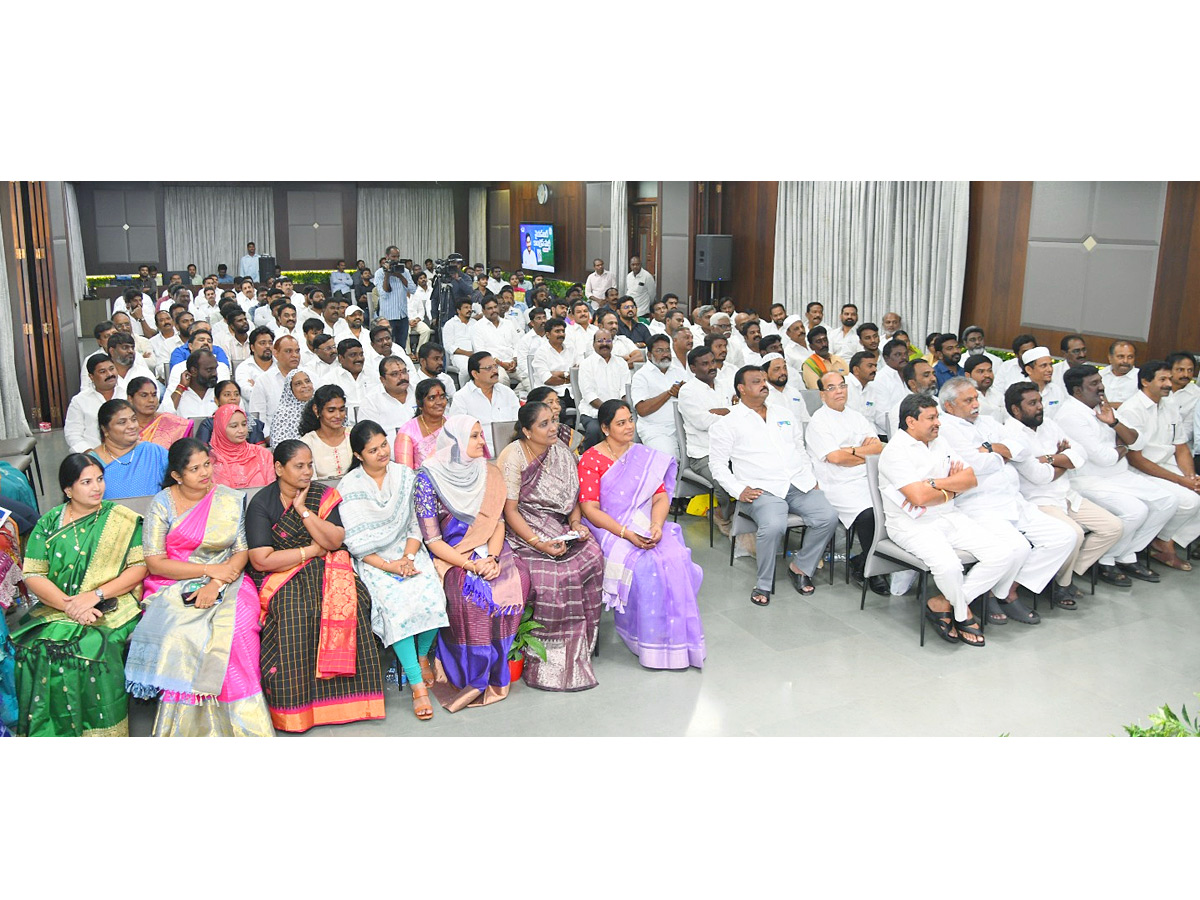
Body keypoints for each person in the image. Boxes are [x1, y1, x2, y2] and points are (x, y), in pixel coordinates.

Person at [122, 440, 274, 736]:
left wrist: (216, 582)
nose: (205, 473)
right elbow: (155, 562)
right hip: (173, 582)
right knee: (182, 633)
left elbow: (241, 551)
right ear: (177, 475)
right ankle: (189, 729)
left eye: (207, 464)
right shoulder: (162, 503)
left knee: (238, 628)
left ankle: (242, 725)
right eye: (195, 469)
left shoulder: (228, 499)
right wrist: (206, 571)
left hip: (229, 579)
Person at [245, 440, 385, 731]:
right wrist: (309, 551)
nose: (308, 472)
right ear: (279, 468)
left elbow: (334, 541)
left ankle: (351, 700)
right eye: (299, 466)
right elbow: (261, 560)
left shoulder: (323, 495)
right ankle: (296, 707)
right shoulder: (262, 503)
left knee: (352, 601)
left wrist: (303, 511)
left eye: (310, 465)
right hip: (280, 576)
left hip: (327, 567)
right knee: (294, 610)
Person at [12, 454, 148, 735]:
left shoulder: (121, 519)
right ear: (68, 490)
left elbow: (139, 568)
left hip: (112, 600)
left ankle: (103, 732)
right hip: (58, 603)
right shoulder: (49, 523)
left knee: (91, 645)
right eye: (86, 482)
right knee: (36, 647)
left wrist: (95, 595)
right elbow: (34, 574)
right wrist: (70, 605)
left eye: (99, 479)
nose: (96, 487)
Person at [877, 394, 1025, 647]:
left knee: (1004, 554)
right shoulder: (895, 452)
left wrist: (936, 484)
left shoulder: (939, 442)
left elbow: (970, 479)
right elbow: (918, 497)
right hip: (911, 525)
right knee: (949, 567)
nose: (938, 423)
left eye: (937, 417)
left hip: (949, 515)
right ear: (911, 421)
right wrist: (952, 488)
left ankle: (943, 603)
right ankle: (963, 613)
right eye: (931, 418)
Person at [412, 416, 530, 710]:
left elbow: (498, 521)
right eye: (474, 436)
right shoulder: (428, 478)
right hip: (452, 555)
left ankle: (498, 669)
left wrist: (491, 557)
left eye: (481, 435)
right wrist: (473, 565)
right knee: (470, 594)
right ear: (454, 443)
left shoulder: (489, 473)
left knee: (518, 577)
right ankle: (470, 675)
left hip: (489, 548)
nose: (482, 441)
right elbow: (433, 541)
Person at [577, 400, 704, 667]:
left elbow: (659, 497)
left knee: (675, 557)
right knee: (645, 566)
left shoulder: (644, 455)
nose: (628, 427)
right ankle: (645, 638)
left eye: (630, 420)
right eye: (620, 423)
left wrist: (656, 525)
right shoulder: (591, 459)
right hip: (607, 527)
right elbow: (590, 509)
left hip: (645, 522)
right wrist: (625, 533)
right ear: (605, 428)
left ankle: (678, 640)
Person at [937, 377, 1076, 618]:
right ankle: (983, 597)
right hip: (980, 504)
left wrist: (989, 448)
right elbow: (975, 464)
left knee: (1065, 536)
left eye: (976, 398)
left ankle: (1008, 589)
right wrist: (1000, 450)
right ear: (949, 406)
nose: (975, 404)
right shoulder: (947, 428)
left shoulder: (988, 421)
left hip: (1014, 500)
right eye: (967, 400)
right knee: (1018, 548)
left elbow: (1021, 449)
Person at [340, 421, 449, 721]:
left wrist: (409, 557)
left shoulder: (404, 475)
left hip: (408, 550)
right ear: (359, 455)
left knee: (432, 595)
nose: (382, 453)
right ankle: (418, 687)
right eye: (372, 450)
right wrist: (391, 566)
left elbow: (417, 524)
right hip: (374, 560)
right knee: (397, 608)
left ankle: (423, 655)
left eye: (384, 445)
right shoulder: (350, 486)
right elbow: (356, 541)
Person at [497, 402, 605, 690]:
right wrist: (539, 544)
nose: (553, 428)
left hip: (558, 526)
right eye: (544, 424)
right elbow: (510, 511)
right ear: (526, 431)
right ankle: (549, 658)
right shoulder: (513, 456)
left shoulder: (560, 451)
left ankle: (583, 643)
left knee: (592, 554)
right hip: (523, 532)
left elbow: (573, 500)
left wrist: (576, 524)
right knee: (554, 576)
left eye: (553, 421)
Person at [709, 367, 838, 606]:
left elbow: (799, 448)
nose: (763, 384)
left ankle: (800, 567)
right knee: (774, 525)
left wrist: (810, 477)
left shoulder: (783, 413)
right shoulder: (727, 423)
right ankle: (764, 583)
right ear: (741, 388)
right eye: (756, 381)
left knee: (828, 516)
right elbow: (716, 466)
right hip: (761, 489)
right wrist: (738, 490)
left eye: (764, 380)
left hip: (797, 483)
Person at [1003, 382, 1123, 607]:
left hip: (1066, 494)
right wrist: (1065, 459)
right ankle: (1062, 584)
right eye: (1032, 403)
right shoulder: (1011, 434)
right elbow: (1039, 476)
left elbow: (1080, 453)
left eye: (1039, 401)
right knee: (1074, 533)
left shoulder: (1048, 424)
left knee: (1113, 527)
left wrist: (1049, 458)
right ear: (1016, 410)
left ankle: (1060, 574)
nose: (1040, 407)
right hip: (1037, 501)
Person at [1056, 364, 1177, 586]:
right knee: (1136, 510)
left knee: (1168, 501)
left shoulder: (1103, 407)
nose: (1101, 387)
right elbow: (1104, 458)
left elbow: (1138, 440)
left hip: (1119, 476)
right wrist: (1123, 446)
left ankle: (1125, 555)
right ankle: (1106, 560)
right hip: (1089, 480)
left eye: (1100, 381)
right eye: (1094, 384)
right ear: (1077, 391)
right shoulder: (1070, 415)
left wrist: (1114, 423)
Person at [803, 371, 889, 594]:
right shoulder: (818, 422)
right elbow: (835, 459)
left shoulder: (856, 416)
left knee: (891, 507)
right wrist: (862, 452)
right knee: (869, 514)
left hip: (864, 477)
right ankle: (873, 571)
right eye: (831, 388)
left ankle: (862, 560)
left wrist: (850, 450)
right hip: (836, 484)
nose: (839, 391)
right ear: (822, 395)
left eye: (842, 386)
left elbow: (877, 447)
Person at [1116, 360, 1200, 570]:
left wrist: (1190, 477)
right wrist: (1181, 481)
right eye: (1162, 379)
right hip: (1141, 470)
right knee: (1189, 501)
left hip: (1168, 465)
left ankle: (1164, 539)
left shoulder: (1169, 403)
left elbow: (1180, 446)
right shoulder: (1132, 409)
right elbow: (1136, 458)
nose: (1168, 384)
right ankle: (1162, 542)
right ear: (1145, 381)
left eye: (1169, 379)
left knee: (1195, 490)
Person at [88, 399, 169, 499]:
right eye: (122, 422)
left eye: (134, 419)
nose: (132, 426)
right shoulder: (91, 463)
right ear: (105, 429)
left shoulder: (153, 453)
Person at [631, 333, 685, 457]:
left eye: (667, 350)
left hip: (683, 427)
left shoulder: (679, 371)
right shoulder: (641, 376)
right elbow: (642, 410)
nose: (665, 354)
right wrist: (668, 393)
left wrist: (681, 393)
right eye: (659, 351)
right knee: (667, 458)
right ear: (649, 355)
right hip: (656, 429)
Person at [577, 328, 633, 449]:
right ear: (593, 344)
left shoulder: (621, 363)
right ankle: (587, 459)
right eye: (600, 341)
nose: (604, 344)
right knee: (595, 430)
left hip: (618, 413)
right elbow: (589, 395)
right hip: (593, 413)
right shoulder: (586, 364)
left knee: (631, 428)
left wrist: (619, 412)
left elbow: (625, 390)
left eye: (608, 340)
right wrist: (609, 412)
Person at [208, 404, 276, 489]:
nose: (241, 430)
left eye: (244, 424)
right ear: (220, 428)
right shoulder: (211, 460)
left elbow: (272, 491)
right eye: (234, 426)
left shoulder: (263, 454)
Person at [65, 355, 119, 453]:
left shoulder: (128, 395)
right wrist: (91, 454)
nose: (110, 374)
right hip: (92, 457)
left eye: (112, 369)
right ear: (91, 377)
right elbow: (72, 434)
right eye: (103, 371)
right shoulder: (80, 401)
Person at [297, 384, 352, 479]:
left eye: (342, 410)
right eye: (331, 410)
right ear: (316, 410)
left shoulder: (353, 435)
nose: (338, 415)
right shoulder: (307, 443)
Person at [450, 351, 520, 424]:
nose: (495, 371)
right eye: (488, 368)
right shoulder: (461, 397)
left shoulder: (507, 393)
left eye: (495, 366)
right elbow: (456, 428)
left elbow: (518, 423)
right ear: (475, 374)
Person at [395, 377, 450, 468]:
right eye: (432, 398)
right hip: (421, 481)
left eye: (442, 397)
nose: (439, 402)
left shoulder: (453, 425)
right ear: (420, 404)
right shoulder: (407, 431)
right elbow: (405, 472)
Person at [127, 375, 194, 449]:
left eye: (154, 395)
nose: (151, 400)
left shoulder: (171, 422)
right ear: (130, 399)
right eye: (144, 395)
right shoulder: (124, 426)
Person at [360, 356, 415, 439]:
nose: (402, 377)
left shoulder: (420, 393)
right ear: (382, 379)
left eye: (404, 372)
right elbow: (368, 436)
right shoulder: (371, 402)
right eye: (395, 374)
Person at [1101, 340, 1140, 406]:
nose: (1125, 361)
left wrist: (1108, 405)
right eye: (1121, 356)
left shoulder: (1141, 378)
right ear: (1110, 358)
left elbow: (1139, 406)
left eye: (1130, 357)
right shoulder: (1100, 375)